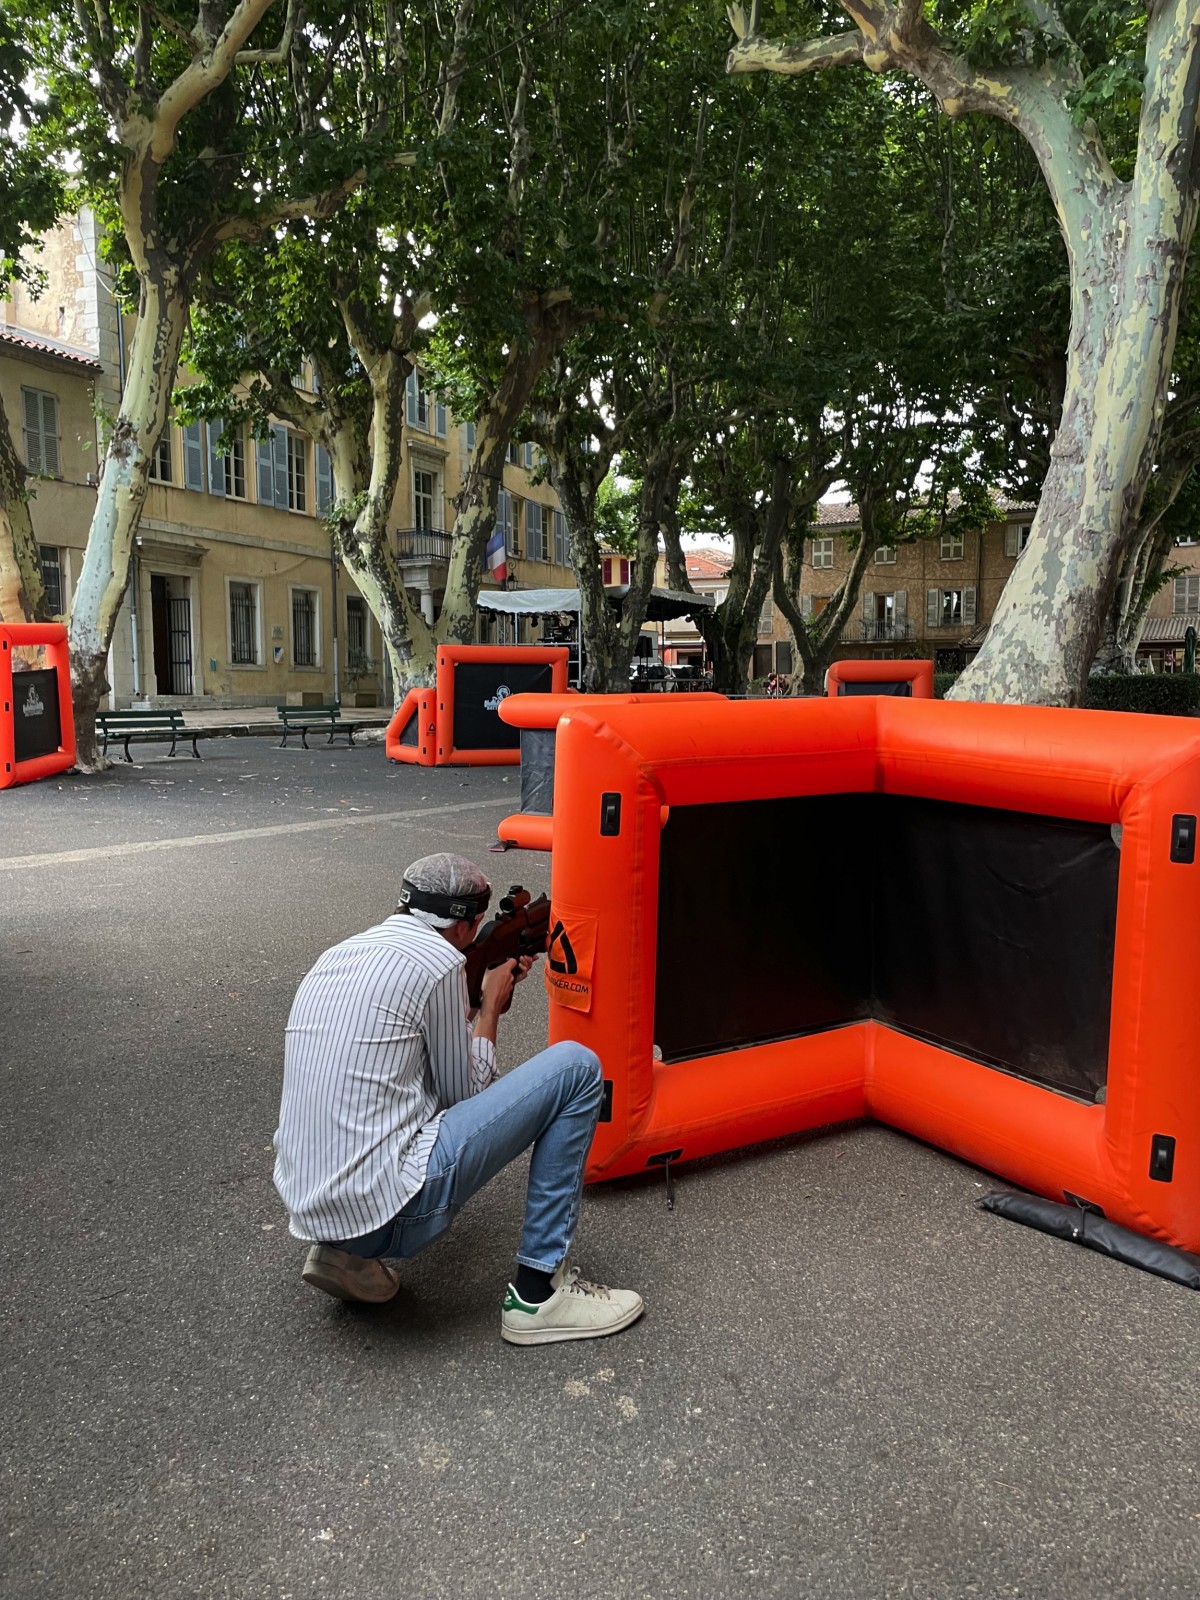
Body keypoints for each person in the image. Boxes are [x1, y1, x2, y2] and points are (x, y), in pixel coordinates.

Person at [272, 852, 644, 1347]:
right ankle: (539, 1295)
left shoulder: (338, 956)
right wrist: (489, 1008)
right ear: (468, 924)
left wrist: (467, 1002)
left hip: (312, 1207)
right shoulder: (440, 963)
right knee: (576, 1067)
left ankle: (343, 1254)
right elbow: (464, 1093)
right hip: (387, 1213)